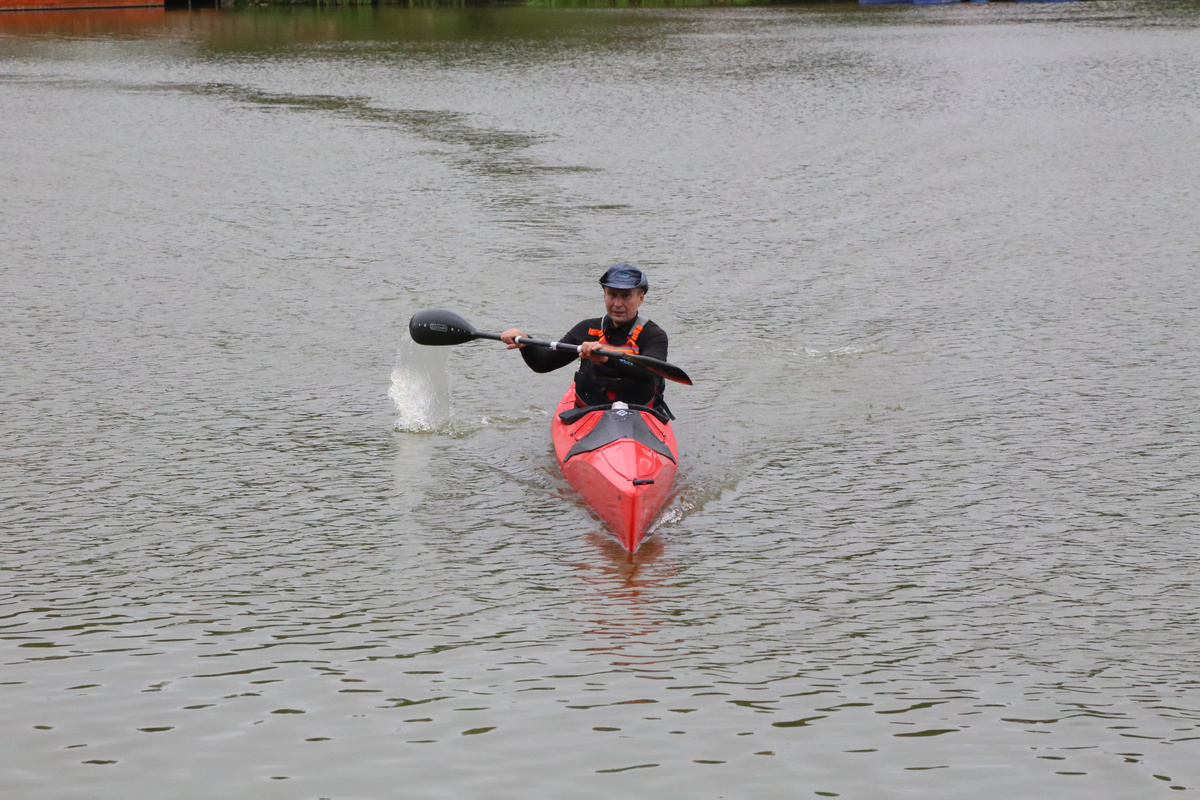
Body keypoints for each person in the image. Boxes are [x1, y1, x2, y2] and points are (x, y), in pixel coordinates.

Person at [500, 264, 669, 410]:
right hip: (589, 412)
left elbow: (649, 372)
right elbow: (544, 364)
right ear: (604, 295)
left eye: (626, 296)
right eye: (612, 295)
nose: (617, 304)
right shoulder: (587, 329)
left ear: (640, 298)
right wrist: (526, 343)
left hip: (639, 413)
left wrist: (606, 359)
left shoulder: (653, 335)